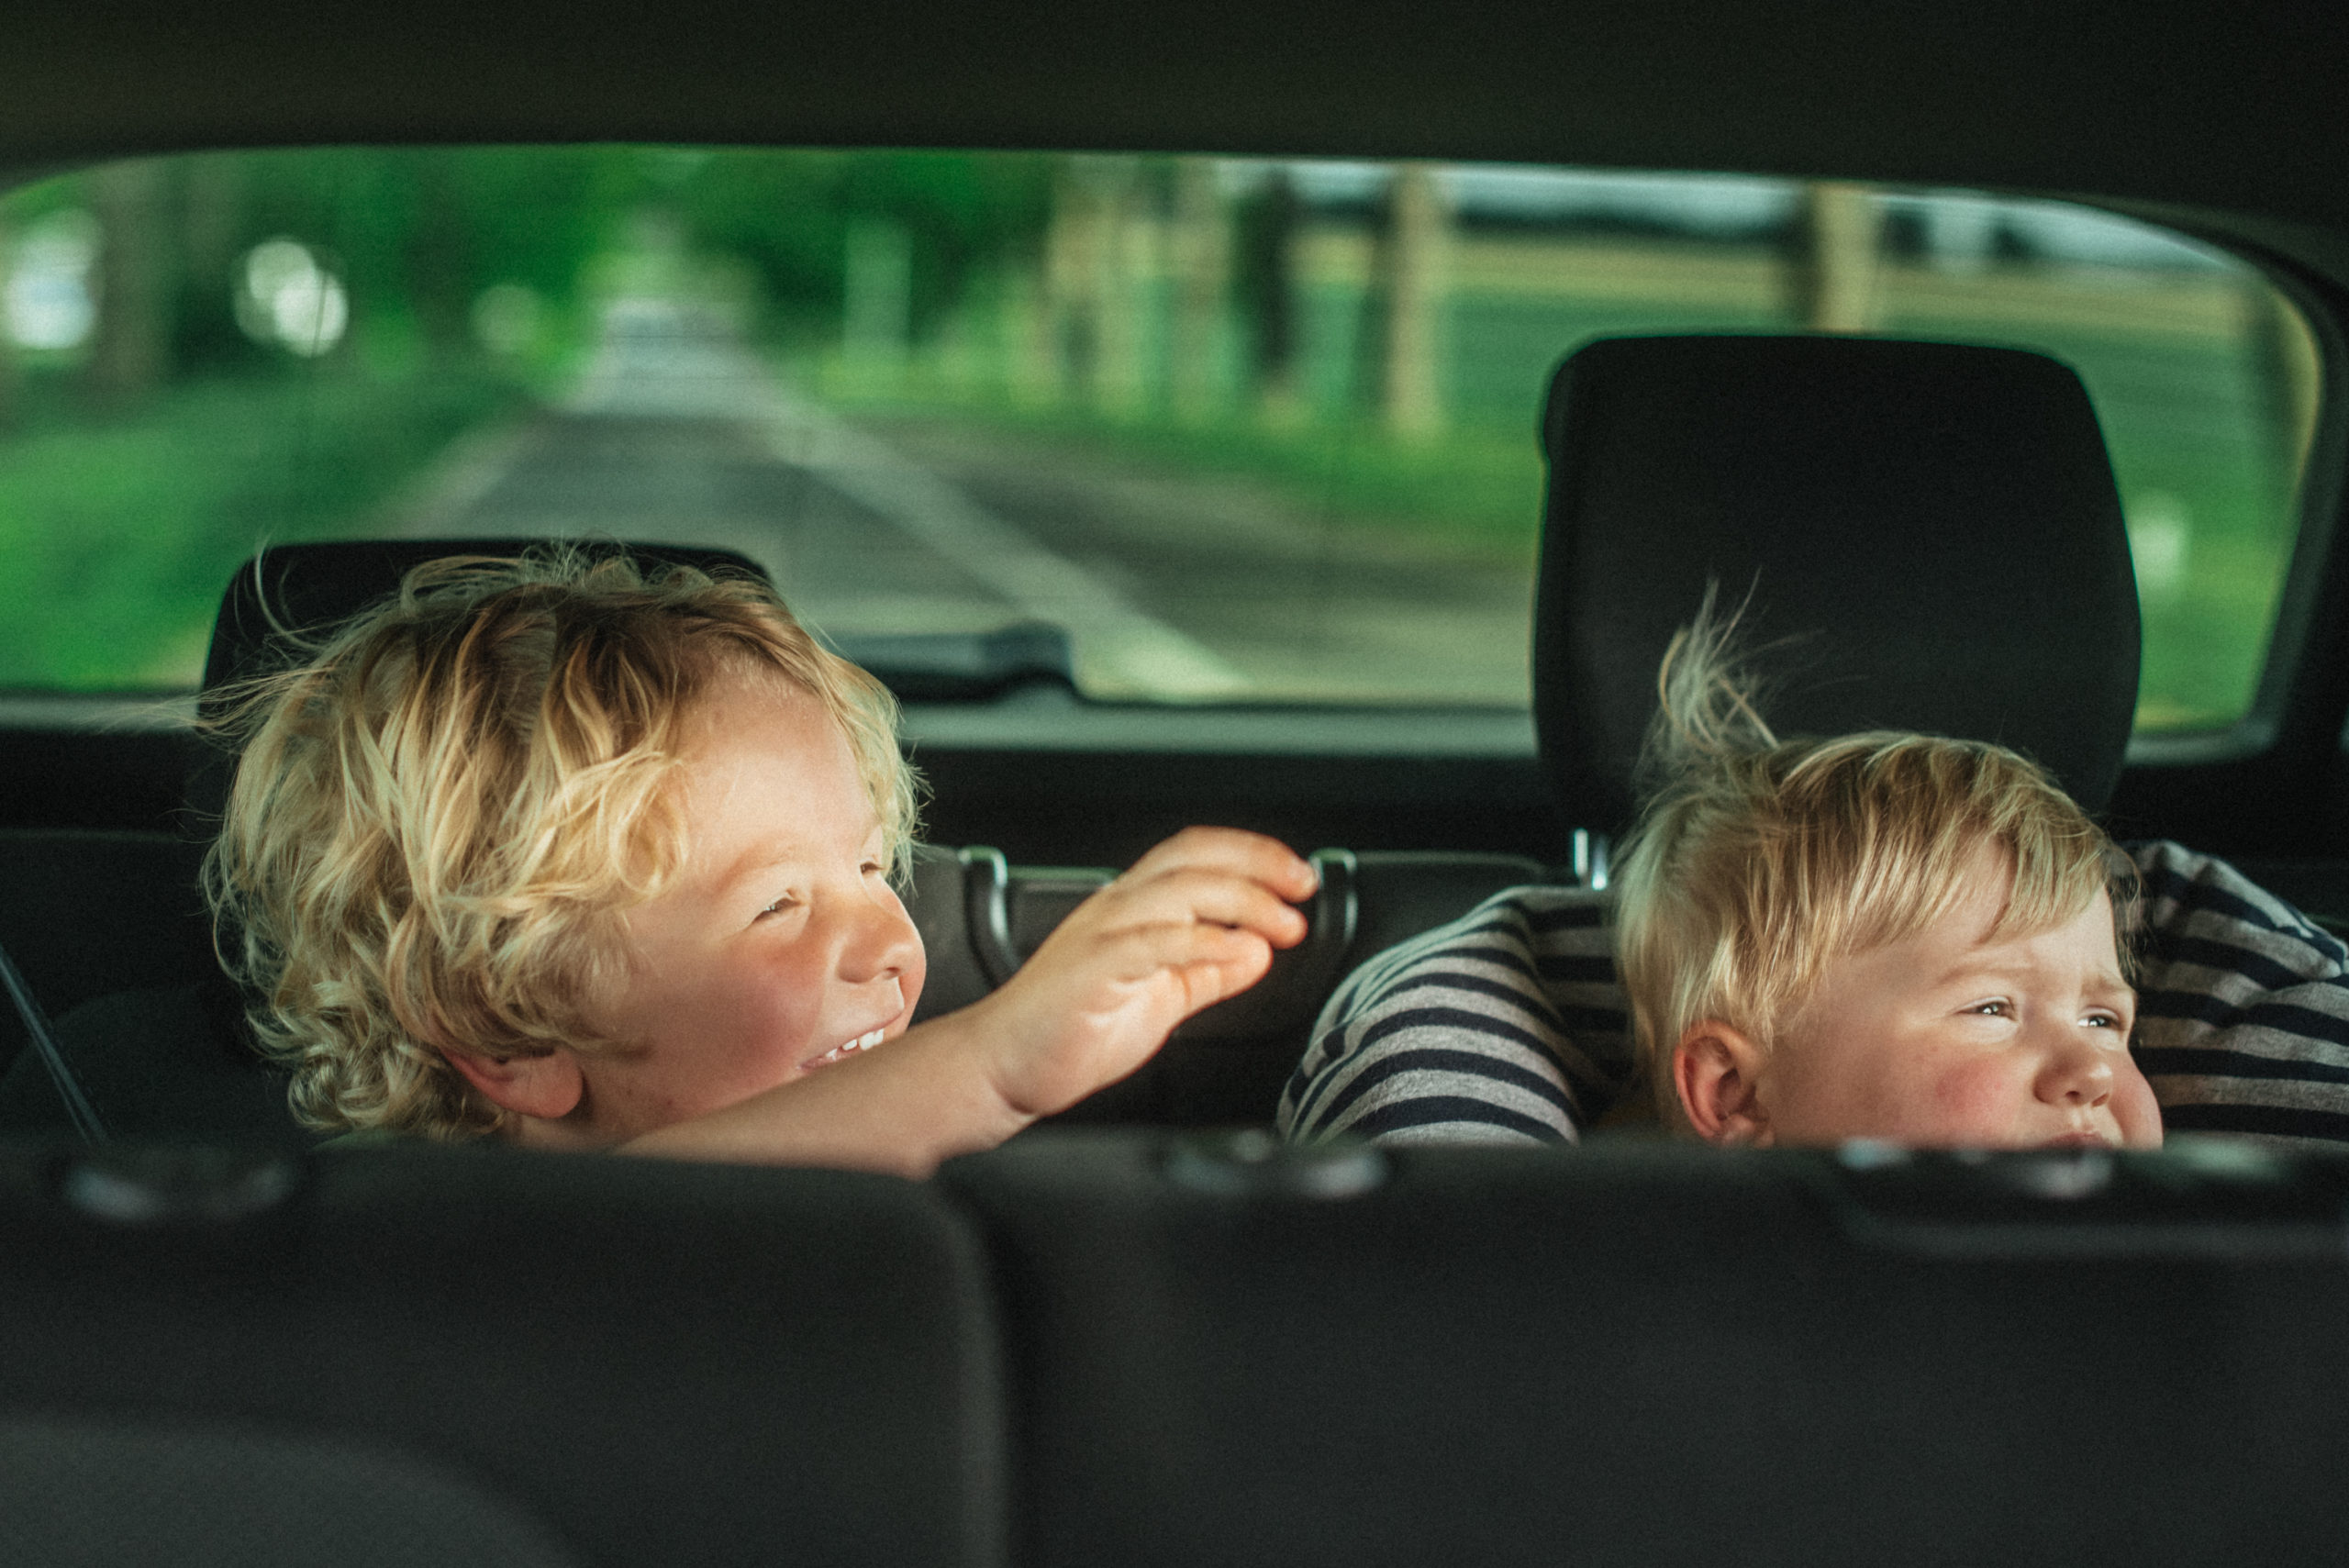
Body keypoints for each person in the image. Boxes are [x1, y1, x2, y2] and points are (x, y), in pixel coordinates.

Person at [206, 549, 1317, 1173]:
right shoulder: (461, 1265)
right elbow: (627, 1221)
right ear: (510, 1028)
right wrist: (994, 1064)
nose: (890, 940)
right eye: (778, 903)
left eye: (873, 867)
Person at [1282, 611, 2349, 1151]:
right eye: (1992, 1006)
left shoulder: (2167, 1264)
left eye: (2107, 1017)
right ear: (1733, 1093)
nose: (2090, 1069)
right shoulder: (1608, 1272)